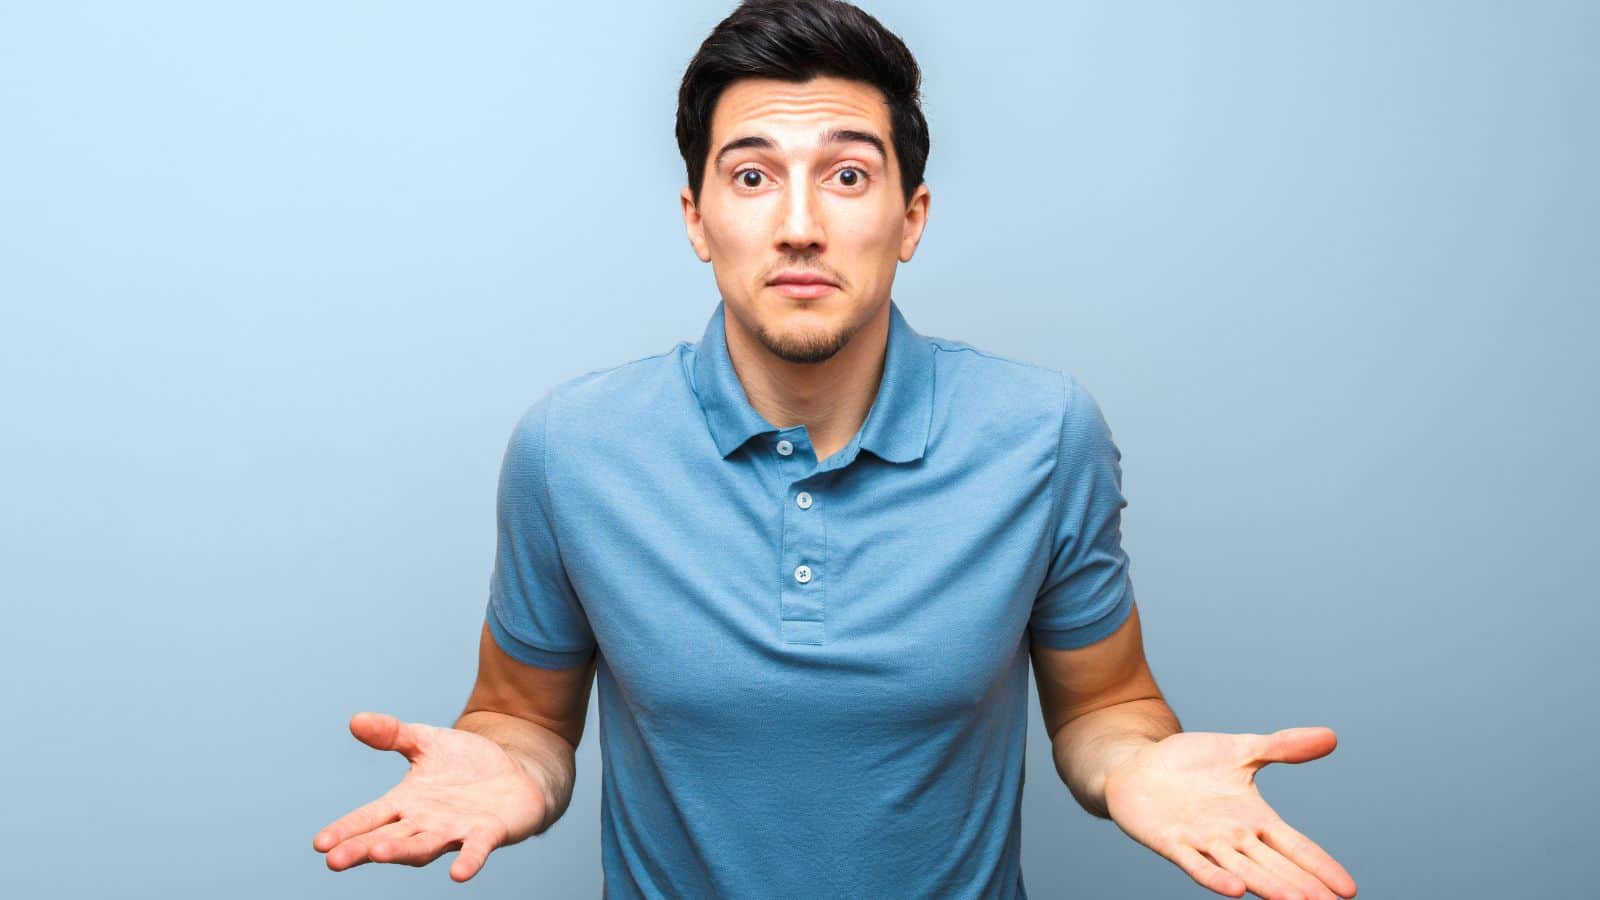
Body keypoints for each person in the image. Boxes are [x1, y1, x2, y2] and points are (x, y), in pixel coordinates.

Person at [311, 1, 1359, 897]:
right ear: (696, 216)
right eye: (754, 176)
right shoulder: (570, 448)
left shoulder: (1042, 434)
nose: (800, 225)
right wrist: (506, 767)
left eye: (848, 178)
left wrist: (1139, 767)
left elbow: (1106, 704)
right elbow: (519, 717)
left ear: (910, 217)